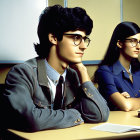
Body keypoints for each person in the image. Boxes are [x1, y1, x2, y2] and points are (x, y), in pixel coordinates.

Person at [0, 5, 109, 132]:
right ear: (54, 38)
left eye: (85, 39)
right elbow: (30, 120)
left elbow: (100, 115)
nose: (84, 46)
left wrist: (83, 72)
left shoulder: (74, 75)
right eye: (76, 38)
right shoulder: (22, 73)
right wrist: (75, 114)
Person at [93, 21, 140, 111]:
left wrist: (131, 101)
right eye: (133, 41)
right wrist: (127, 102)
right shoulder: (104, 71)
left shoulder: (138, 70)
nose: (138, 46)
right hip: (116, 123)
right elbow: (126, 105)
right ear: (119, 43)